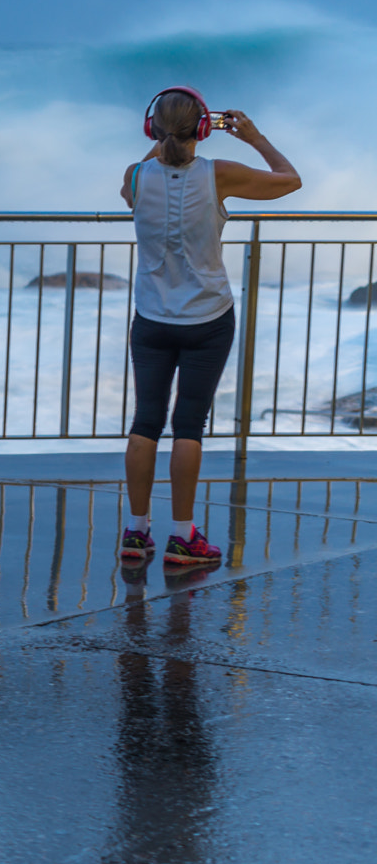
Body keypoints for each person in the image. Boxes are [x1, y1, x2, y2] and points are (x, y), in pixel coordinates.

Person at [118, 88, 300, 566]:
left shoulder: (136, 176)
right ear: (202, 130)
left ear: (151, 130)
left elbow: (130, 188)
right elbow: (290, 180)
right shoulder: (218, 174)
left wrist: (160, 141)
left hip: (151, 317)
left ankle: (135, 534)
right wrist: (255, 137)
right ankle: (183, 538)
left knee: (145, 422)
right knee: (188, 426)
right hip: (207, 318)